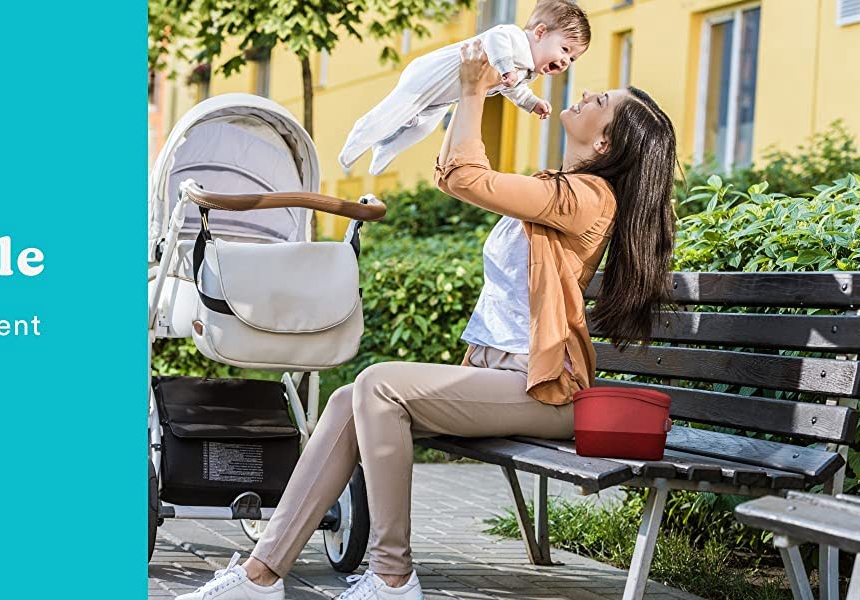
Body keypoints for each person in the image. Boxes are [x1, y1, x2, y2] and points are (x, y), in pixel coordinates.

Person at [176, 38, 679, 600]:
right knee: (348, 400)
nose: (586, 92)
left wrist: (471, 91)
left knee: (380, 386)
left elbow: (465, 177)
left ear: (605, 139)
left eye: (600, 99)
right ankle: (259, 576)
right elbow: (454, 173)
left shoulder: (588, 197)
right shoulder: (559, 189)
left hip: (545, 390)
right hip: (507, 380)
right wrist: (463, 94)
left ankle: (393, 576)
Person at [339, 0, 591, 176]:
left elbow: (512, 89)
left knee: (422, 127)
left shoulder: (527, 72)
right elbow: (494, 38)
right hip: (432, 74)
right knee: (396, 112)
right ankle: (360, 135)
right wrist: (505, 67)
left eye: (572, 59)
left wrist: (531, 102)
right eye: (565, 50)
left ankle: (385, 148)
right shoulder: (514, 38)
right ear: (540, 32)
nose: (565, 61)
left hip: (446, 96)